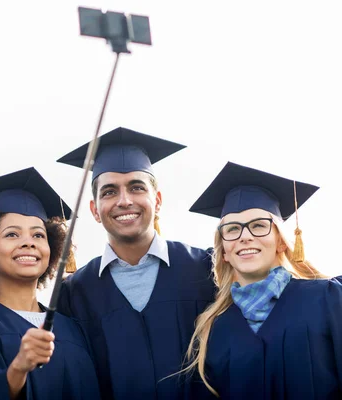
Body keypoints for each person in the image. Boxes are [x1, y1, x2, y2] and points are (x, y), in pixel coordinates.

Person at [56, 127, 216, 399]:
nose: (124, 201)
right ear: (95, 210)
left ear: (158, 200)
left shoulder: (205, 269)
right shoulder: (74, 293)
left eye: (136, 187)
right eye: (108, 192)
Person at [0, 167, 101, 400]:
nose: (28, 243)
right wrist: (18, 369)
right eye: (12, 234)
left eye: (38, 235)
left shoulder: (71, 327)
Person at [186, 161, 340, 399]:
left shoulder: (327, 300)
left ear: (281, 241)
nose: (245, 236)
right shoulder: (213, 329)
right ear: (224, 251)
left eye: (259, 225)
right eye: (233, 229)